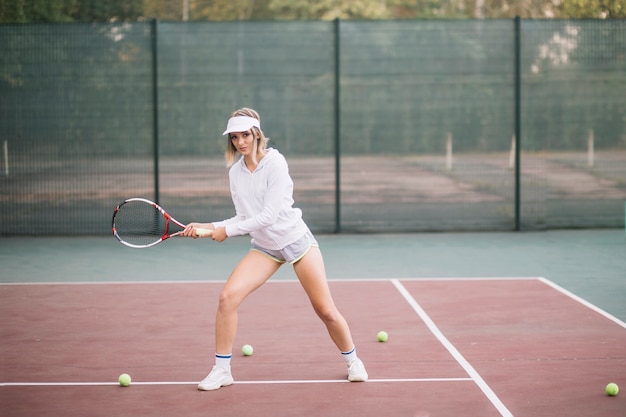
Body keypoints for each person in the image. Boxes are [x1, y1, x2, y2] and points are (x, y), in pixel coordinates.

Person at [182, 107, 368, 391]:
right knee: (227, 298)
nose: (241, 142)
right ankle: (222, 371)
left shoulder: (276, 163)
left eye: (245, 135)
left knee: (325, 310)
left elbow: (268, 216)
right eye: (235, 137)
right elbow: (243, 217)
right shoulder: (236, 173)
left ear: (257, 134)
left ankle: (353, 360)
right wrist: (209, 225)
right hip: (265, 248)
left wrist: (226, 232)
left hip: (296, 241)